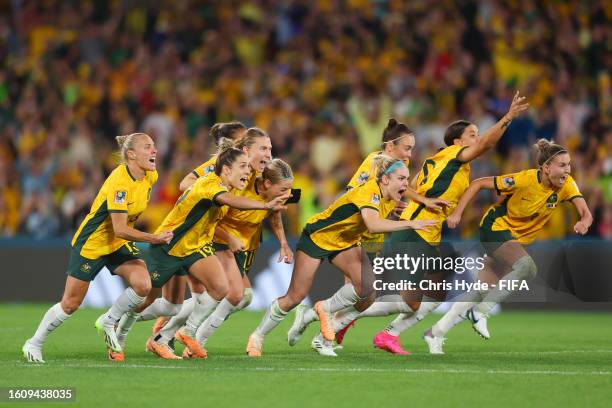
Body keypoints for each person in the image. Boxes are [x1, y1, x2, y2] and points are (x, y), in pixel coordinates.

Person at [346, 91, 529, 355]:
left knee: (436, 293)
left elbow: (410, 188)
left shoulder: (443, 164)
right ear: (457, 142)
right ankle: (341, 319)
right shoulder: (454, 155)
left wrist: (407, 203)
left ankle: (394, 334)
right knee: (409, 302)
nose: (477, 139)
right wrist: (508, 117)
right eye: (472, 135)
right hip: (415, 233)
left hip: (426, 234)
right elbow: (486, 145)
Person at [246, 156, 436, 357]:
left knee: (367, 287)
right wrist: (411, 223)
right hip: (318, 237)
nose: (406, 184)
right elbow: (373, 225)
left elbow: (373, 219)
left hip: (345, 242)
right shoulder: (369, 192)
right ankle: (257, 336)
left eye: (407, 178)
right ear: (386, 179)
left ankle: (323, 310)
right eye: (401, 178)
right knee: (295, 296)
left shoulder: (389, 197)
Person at [288, 118, 449, 354]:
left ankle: (313, 319)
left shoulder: (395, 169)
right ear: (390, 146)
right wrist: (375, 209)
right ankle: (324, 335)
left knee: (364, 297)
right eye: (407, 148)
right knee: (361, 292)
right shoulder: (374, 162)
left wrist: (398, 203)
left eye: (412, 148)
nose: (410, 154)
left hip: (373, 233)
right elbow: (355, 193)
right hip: (356, 234)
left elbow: (390, 192)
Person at [422, 139, 592, 354]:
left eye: (569, 164)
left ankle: (435, 333)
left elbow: (586, 213)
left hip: (514, 239)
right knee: (527, 268)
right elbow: (478, 183)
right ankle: (482, 312)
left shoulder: (567, 184)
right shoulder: (524, 180)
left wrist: (584, 222)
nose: (567, 170)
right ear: (546, 168)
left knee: (480, 291)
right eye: (562, 165)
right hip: (495, 227)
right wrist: (457, 213)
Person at [130, 139, 288, 360]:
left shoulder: (253, 177)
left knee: (206, 298)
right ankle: (122, 323)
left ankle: (167, 335)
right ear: (245, 151)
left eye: (270, 149)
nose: (268, 154)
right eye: (263, 148)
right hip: (195, 241)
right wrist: (214, 198)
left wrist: (282, 241)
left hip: (216, 242)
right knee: (221, 295)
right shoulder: (222, 175)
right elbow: (188, 184)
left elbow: (270, 207)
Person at [22, 133, 173, 363]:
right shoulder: (119, 182)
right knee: (71, 304)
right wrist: (155, 238)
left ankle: (108, 321)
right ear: (131, 154)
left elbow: (122, 231)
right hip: (93, 243)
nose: (154, 150)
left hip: (117, 243)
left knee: (143, 285)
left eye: (154, 145)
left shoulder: (150, 176)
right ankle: (34, 343)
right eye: (147, 147)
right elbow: (121, 228)